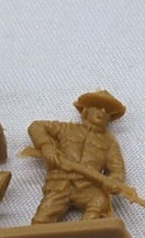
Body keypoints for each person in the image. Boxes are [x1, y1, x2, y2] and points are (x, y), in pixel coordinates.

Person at [27, 90, 129, 224]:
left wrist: (114, 181)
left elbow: (118, 169)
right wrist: (46, 145)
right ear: (86, 111)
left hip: (88, 186)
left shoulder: (109, 142)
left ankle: (86, 228)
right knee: (42, 219)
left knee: (100, 201)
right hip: (60, 183)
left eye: (107, 111)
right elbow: (36, 126)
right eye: (97, 107)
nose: (102, 112)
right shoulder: (67, 129)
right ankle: (38, 232)